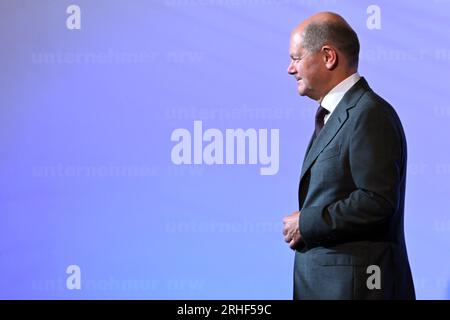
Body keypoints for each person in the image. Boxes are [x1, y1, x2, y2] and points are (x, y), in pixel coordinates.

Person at [282, 12, 415, 300]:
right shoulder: (339, 115)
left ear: (328, 56)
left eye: (296, 57)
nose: (290, 69)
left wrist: (307, 222)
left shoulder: (370, 114)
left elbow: (376, 201)